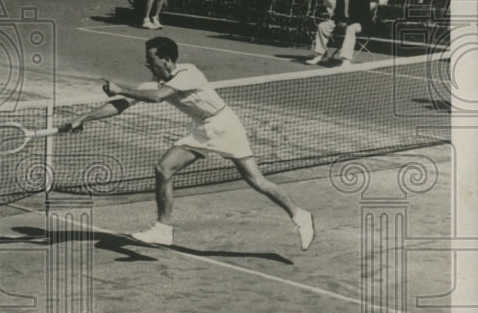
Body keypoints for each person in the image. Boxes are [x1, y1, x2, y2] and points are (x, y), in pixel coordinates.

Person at [59, 36, 315, 251]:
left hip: (224, 125)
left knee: (255, 180)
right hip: (203, 128)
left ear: (167, 60)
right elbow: (120, 105)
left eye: (152, 61)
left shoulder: (187, 72)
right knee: (163, 169)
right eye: (147, 61)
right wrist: (83, 118)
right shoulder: (154, 82)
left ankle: (299, 215)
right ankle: (163, 229)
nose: (149, 65)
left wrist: (121, 88)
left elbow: (158, 97)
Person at [306, 0, 372, 68]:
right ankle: (321, 54)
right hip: (342, 21)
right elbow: (338, 10)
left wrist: (348, 22)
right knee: (322, 26)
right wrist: (338, 21)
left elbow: (364, 14)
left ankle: (346, 60)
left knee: (350, 29)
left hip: (360, 23)